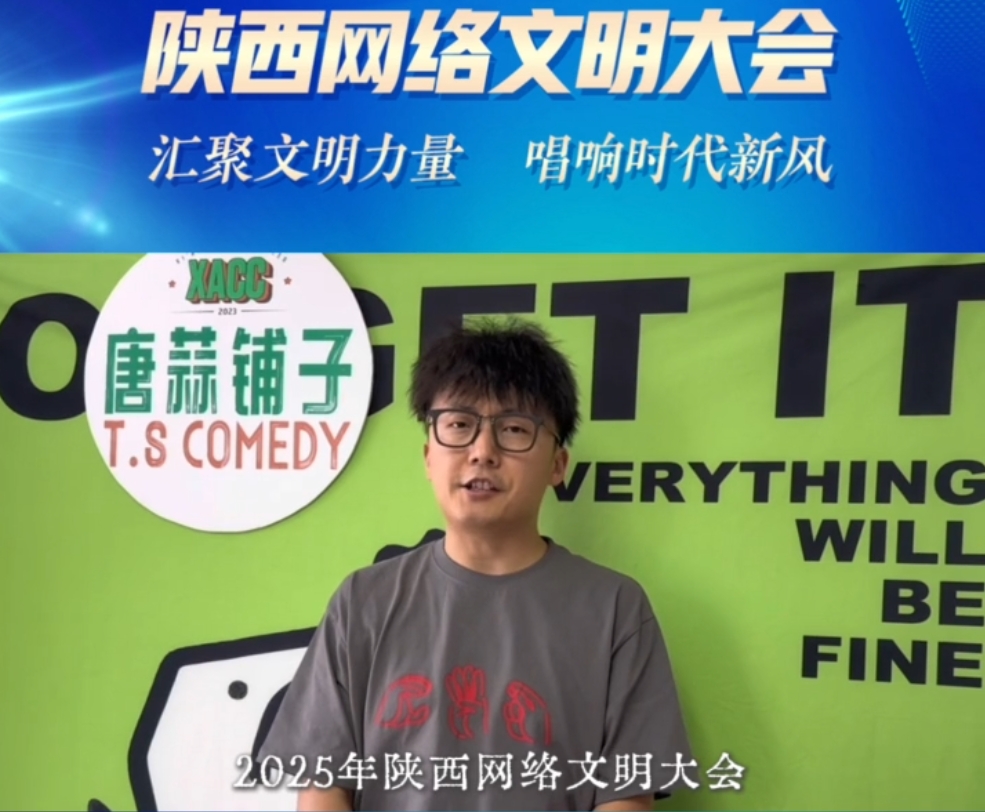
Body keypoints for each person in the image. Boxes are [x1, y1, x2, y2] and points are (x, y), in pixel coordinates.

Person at [259, 319, 692, 811]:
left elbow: (627, 799)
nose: (482, 452)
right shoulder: (363, 601)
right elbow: (323, 787)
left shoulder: (615, 608)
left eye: (513, 429)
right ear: (429, 456)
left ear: (557, 465)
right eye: (459, 426)